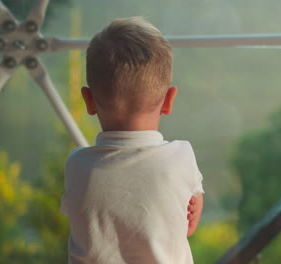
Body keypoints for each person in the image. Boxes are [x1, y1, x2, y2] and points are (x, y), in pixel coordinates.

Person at [60, 17, 204, 264]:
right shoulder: (181, 156)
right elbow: (190, 222)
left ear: (89, 100)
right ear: (169, 100)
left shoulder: (77, 164)